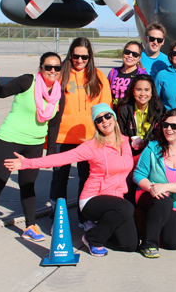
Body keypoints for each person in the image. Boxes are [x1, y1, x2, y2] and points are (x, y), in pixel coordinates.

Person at [5, 103, 137, 257]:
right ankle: (92, 238)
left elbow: (129, 163)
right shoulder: (92, 146)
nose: (104, 121)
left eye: (107, 116)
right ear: (96, 125)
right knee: (126, 208)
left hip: (116, 200)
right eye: (99, 119)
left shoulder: (126, 142)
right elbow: (62, 158)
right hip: (93, 199)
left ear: (113, 118)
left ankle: (102, 228)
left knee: (130, 245)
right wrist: (27, 163)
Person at [0, 53, 63, 248]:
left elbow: (54, 125)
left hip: (35, 144)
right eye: (49, 67)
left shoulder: (58, 93)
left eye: (57, 67)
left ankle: (30, 226)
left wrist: (51, 152)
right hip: (9, 139)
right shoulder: (28, 81)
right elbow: (1, 93)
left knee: (28, 185)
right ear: (41, 67)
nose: (53, 71)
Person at [50, 37, 113, 229]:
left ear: (90, 57)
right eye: (76, 56)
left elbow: (106, 108)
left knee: (86, 180)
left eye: (84, 57)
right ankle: (57, 220)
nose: (79, 60)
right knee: (59, 179)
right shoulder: (60, 75)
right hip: (62, 136)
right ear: (70, 55)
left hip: (89, 139)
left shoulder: (99, 77)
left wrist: (105, 137)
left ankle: (84, 218)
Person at [133, 109, 176, 258]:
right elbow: (139, 174)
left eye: (174, 126)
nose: (168, 129)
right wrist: (153, 188)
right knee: (164, 201)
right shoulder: (153, 147)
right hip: (150, 195)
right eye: (165, 125)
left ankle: (153, 224)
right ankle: (149, 244)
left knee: (173, 243)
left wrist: (165, 187)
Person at [117, 74, 164, 156]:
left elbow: (159, 135)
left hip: (152, 151)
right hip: (129, 151)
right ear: (133, 91)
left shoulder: (159, 109)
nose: (143, 94)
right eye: (138, 89)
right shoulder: (124, 109)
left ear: (152, 92)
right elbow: (122, 134)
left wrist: (145, 143)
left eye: (146, 90)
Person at [107, 41, 147, 109]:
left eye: (135, 54)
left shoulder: (142, 75)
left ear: (139, 58)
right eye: (127, 52)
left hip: (131, 115)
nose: (130, 56)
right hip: (113, 115)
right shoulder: (113, 73)